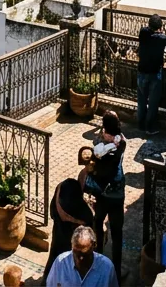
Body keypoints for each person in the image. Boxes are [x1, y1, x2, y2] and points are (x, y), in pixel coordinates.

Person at [81, 111, 126, 269]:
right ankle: (116, 270)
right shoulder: (121, 143)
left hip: (102, 194)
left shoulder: (100, 148)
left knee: (98, 225)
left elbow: (95, 152)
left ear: (105, 130)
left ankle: (98, 262)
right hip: (117, 195)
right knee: (116, 233)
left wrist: (104, 138)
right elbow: (120, 140)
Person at [44, 226, 119, 287]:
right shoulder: (60, 263)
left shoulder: (107, 268)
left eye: (85, 255)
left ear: (94, 246)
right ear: (72, 247)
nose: (80, 259)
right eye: (76, 254)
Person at [49, 171, 95, 265]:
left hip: (58, 230)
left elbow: (52, 213)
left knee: (54, 256)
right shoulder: (74, 209)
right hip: (67, 238)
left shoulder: (61, 188)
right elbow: (88, 218)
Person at [135, 15, 166, 134]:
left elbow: (147, 30)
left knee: (141, 100)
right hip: (155, 73)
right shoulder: (162, 39)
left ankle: (140, 124)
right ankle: (149, 127)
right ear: (160, 27)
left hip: (141, 72)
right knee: (153, 103)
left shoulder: (143, 33)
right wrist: (165, 31)